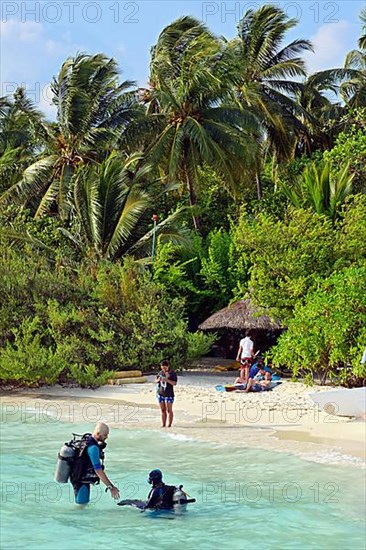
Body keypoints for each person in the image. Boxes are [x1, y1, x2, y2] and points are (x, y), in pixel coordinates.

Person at [71, 421, 120, 505]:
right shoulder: (93, 448)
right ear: (98, 434)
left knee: (81, 506)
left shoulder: (88, 440)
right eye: (105, 435)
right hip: (81, 481)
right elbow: (98, 471)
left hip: (77, 477)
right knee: (82, 507)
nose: (107, 437)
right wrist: (111, 487)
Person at [156, 360, 177, 427]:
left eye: (165, 368)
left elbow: (174, 383)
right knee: (163, 410)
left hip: (169, 394)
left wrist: (167, 380)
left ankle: (169, 425)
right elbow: (155, 381)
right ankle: (163, 424)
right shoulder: (160, 373)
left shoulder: (172, 373)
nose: (164, 370)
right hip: (161, 393)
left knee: (169, 410)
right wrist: (158, 380)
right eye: (162, 368)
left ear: (168, 366)